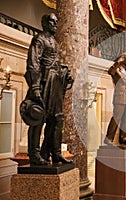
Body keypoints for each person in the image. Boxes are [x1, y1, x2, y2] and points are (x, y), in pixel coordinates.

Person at [22, 13, 73, 165]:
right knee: (38, 118)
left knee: (57, 119)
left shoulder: (56, 43)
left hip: (55, 83)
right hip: (44, 82)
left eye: (56, 22)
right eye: (52, 22)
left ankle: (54, 153)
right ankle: (34, 154)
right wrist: (35, 86)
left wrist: (65, 74)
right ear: (44, 23)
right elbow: (33, 63)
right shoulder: (39, 39)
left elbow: (56, 65)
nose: (55, 24)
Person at [104, 53, 126, 145]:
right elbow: (110, 71)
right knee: (116, 118)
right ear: (122, 59)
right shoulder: (116, 69)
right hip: (120, 97)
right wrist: (117, 62)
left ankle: (124, 137)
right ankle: (109, 138)